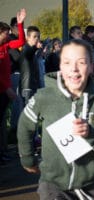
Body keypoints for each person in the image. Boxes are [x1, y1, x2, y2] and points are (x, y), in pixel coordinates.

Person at [17, 39, 94, 199]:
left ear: (92, 66)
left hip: (91, 186)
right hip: (53, 185)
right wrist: (28, 158)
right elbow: (24, 124)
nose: (74, 69)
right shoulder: (44, 96)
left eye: (82, 62)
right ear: (61, 67)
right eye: (67, 62)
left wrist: (90, 133)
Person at [0, 8, 26, 165]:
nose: (8, 35)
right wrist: (7, 88)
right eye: (5, 33)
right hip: (3, 90)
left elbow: (21, 42)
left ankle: (2, 151)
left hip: (4, 91)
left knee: (2, 121)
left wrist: (21, 24)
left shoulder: (5, 46)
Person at [19, 26, 42, 106]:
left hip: (33, 86)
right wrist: (36, 48)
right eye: (34, 36)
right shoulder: (26, 48)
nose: (37, 39)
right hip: (27, 87)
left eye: (38, 37)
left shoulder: (33, 51)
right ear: (27, 38)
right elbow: (28, 53)